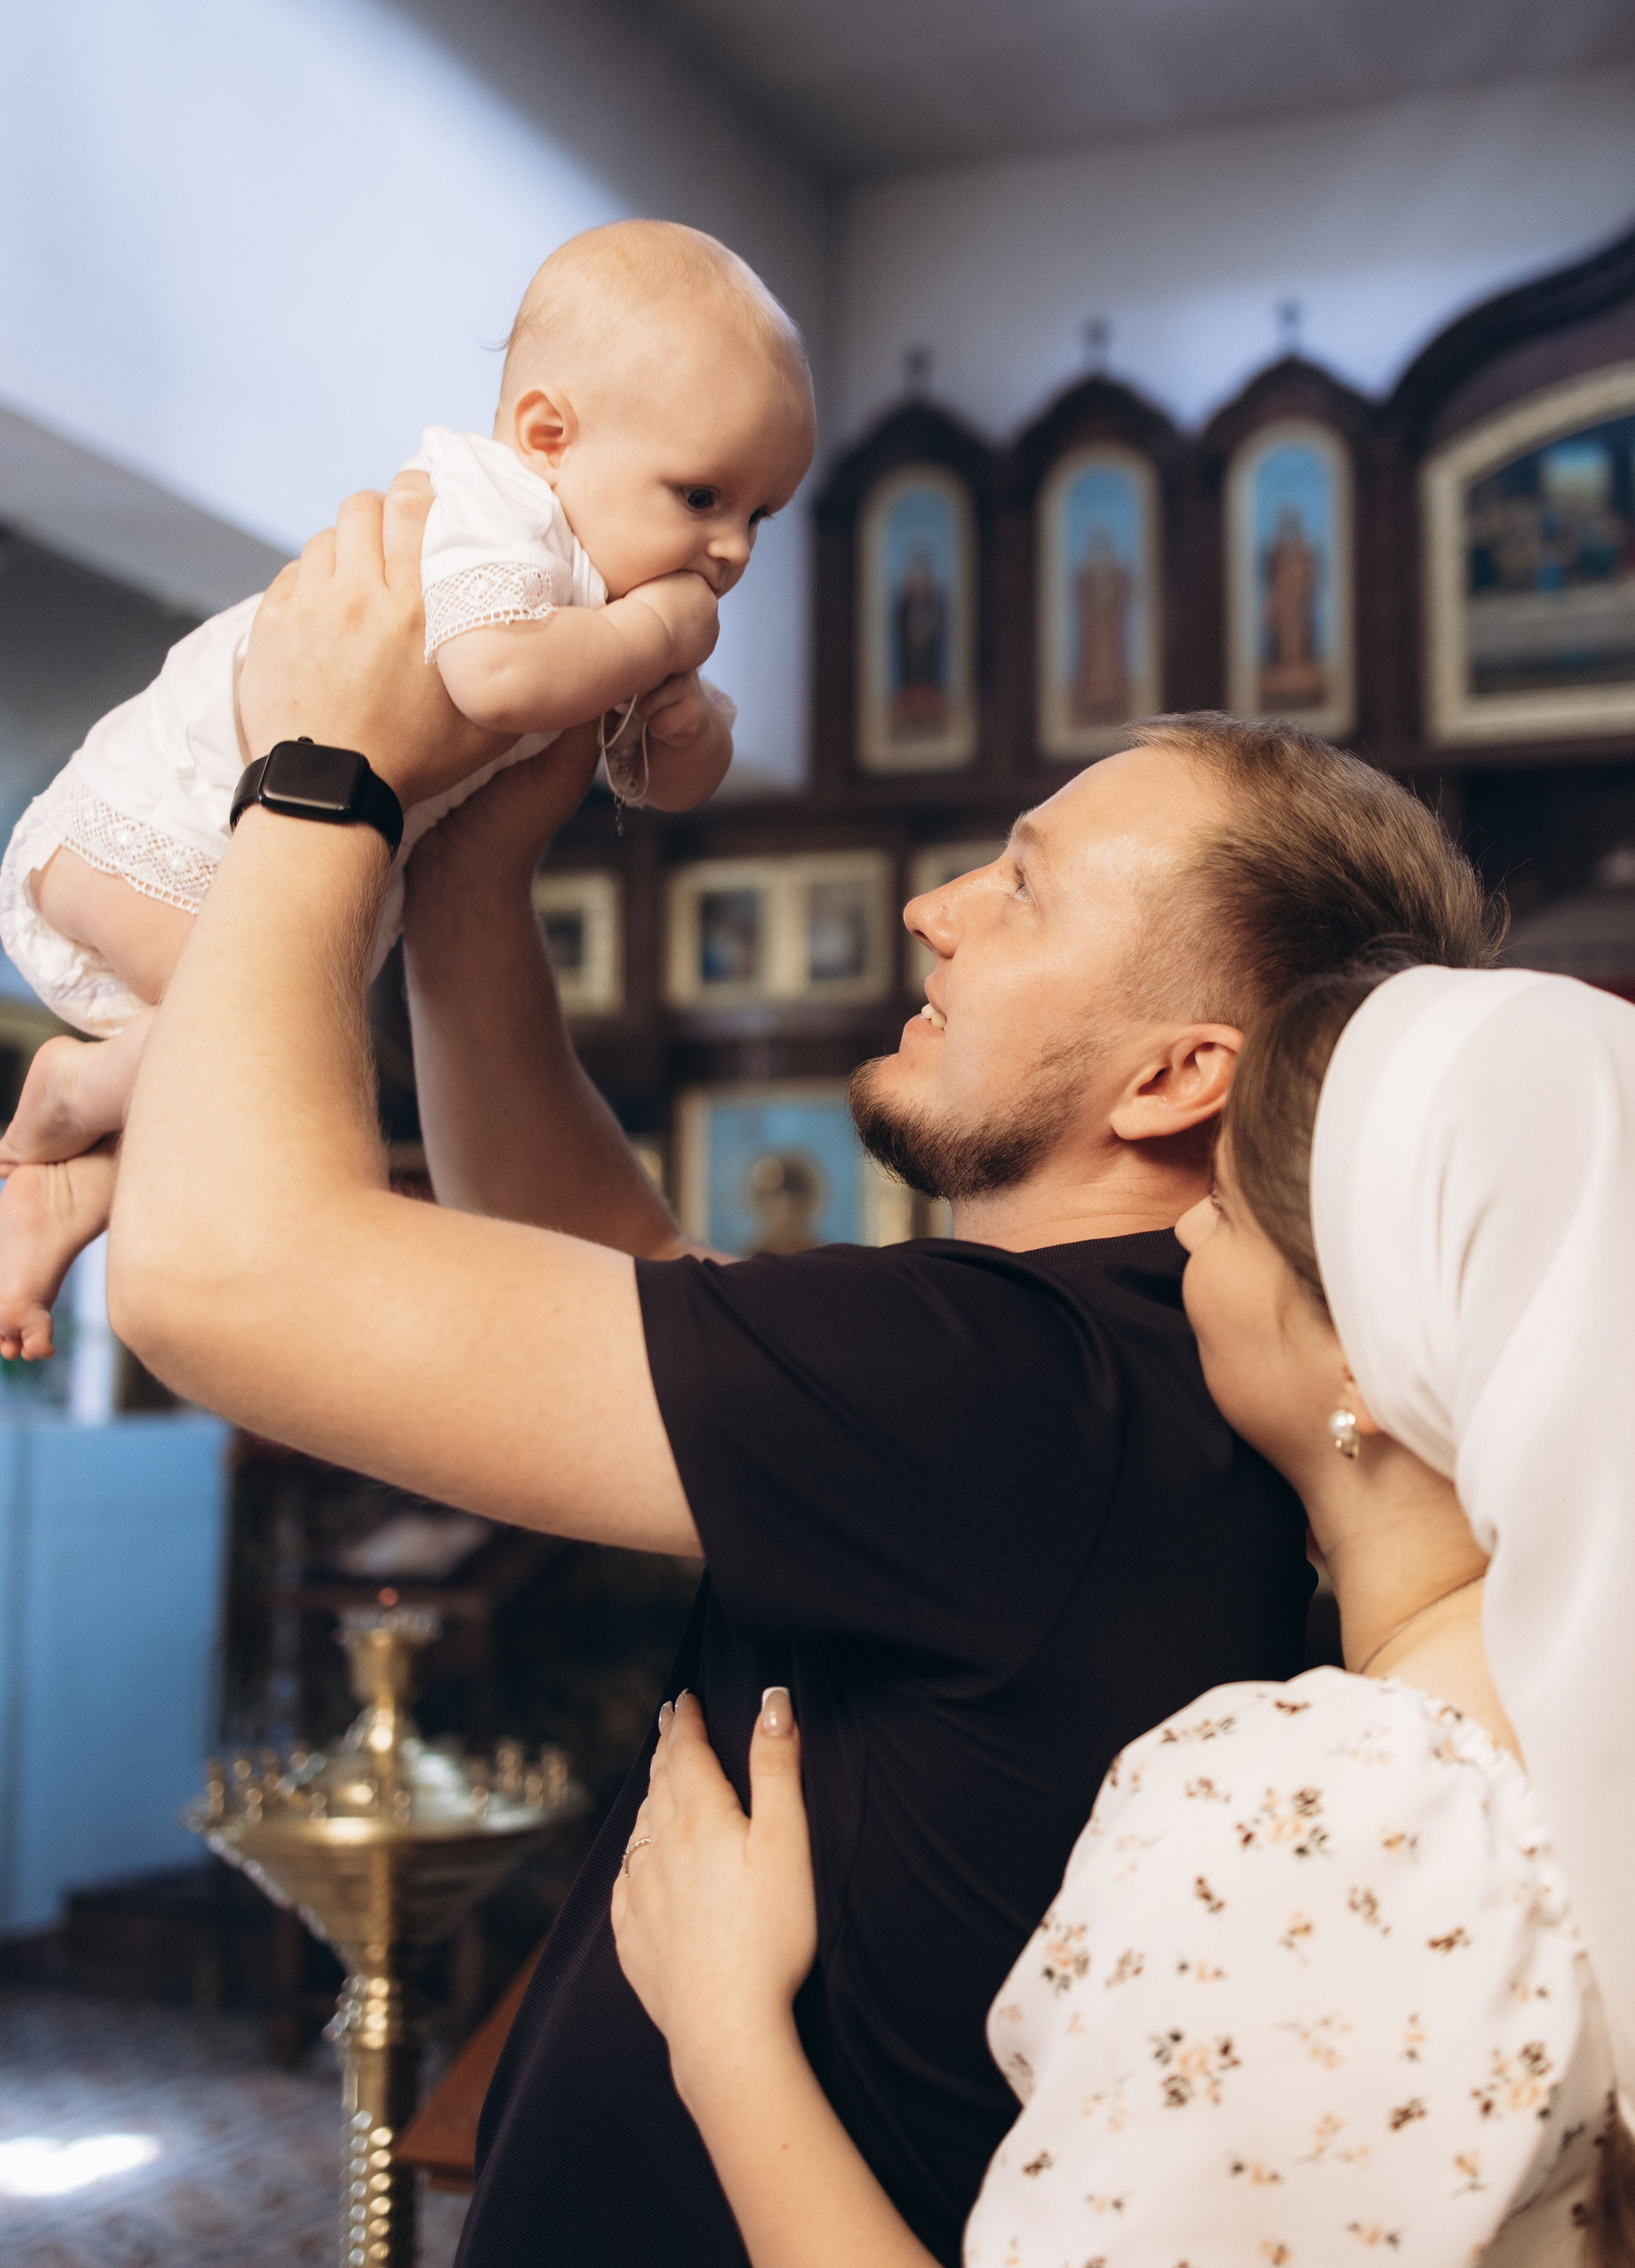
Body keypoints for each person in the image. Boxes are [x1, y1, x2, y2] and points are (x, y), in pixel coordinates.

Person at [106, 482, 1498, 2267]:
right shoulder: (1090, 1370)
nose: (934, 908)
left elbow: (225, 1277)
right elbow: (617, 1297)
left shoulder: (1012, 1389)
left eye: (1022, 888)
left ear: (1175, 1079)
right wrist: (474, 873)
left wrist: (326, 775)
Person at [611, 960, 1635, 2266]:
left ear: (1367, 1362)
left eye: (1229, 1206)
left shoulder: (1338, 1812)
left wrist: (722, 2029)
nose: (1188, 1234)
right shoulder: (1564, 1722)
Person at [0, 219, 814, 1358]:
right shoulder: (496, 511)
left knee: (232, 1066)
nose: (729, 551)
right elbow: (499, 675)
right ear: (547, 434)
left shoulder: (620, 602)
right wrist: (655, 632)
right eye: (703, 497)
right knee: (264, 1054)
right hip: (158, 817)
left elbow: (665, 784)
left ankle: (69, 1195)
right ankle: (73, 1094)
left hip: (282, 849)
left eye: (760, 515)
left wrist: (687, 726)